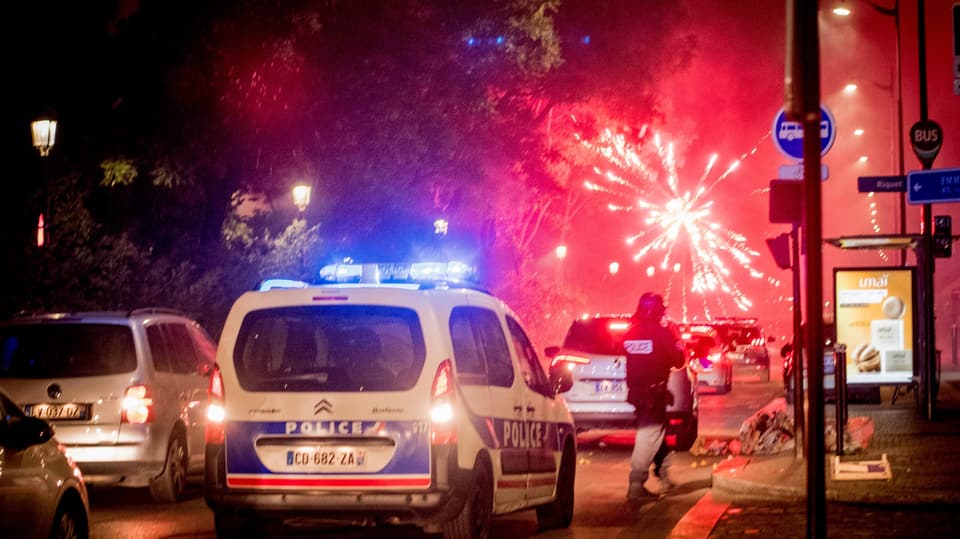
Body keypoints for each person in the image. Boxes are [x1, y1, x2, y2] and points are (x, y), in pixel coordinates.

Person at [622, 292, 686, 501]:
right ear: (659, 311)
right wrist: (676, 342)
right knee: (650, 435)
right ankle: (636, 484)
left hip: (637, 393)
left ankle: (662, 471)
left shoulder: (631, 333)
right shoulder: (662, 333)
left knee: (658, 431)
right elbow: (678, 361)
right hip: (653, 392)